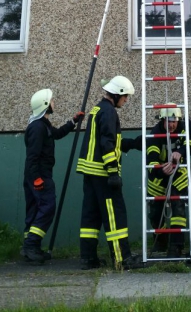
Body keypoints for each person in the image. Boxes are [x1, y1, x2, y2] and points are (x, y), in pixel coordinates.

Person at [76, 75, 143, 270]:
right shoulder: (109, 112)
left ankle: (88, 258)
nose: (126, 100)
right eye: (125, 97)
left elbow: (108, 141)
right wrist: (113, 171)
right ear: (118, 94)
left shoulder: (98, 109)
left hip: (91, 172)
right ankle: (122, 258)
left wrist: (133, 143)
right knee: (115, 214)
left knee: (91, 215)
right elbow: (107, 143)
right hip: (104, 173)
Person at [23, 88, 84, 264]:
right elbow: (32, 156)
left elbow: (56, 134)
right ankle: (31, 245)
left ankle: (30, 248)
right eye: (52, 101)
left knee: (35, 209)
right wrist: (36, 178)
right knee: (47, 207)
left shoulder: (43, 124)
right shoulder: (36, 127)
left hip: (39, 174)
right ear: (45, 105)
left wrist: (73, 122)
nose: (54, 103)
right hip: (39, 176)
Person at [146, 106, 191, 258]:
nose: (172, 125)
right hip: (158, 177)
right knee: (156, 213)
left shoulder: (185, 127)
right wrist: (160, 169)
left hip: (178, 174)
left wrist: (182, 152)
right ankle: (160, 241)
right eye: (168, 121)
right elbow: (151, 158)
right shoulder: (155, 134)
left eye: (174, 121)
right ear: (162, 121)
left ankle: (176, 247)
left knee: (178, 207)